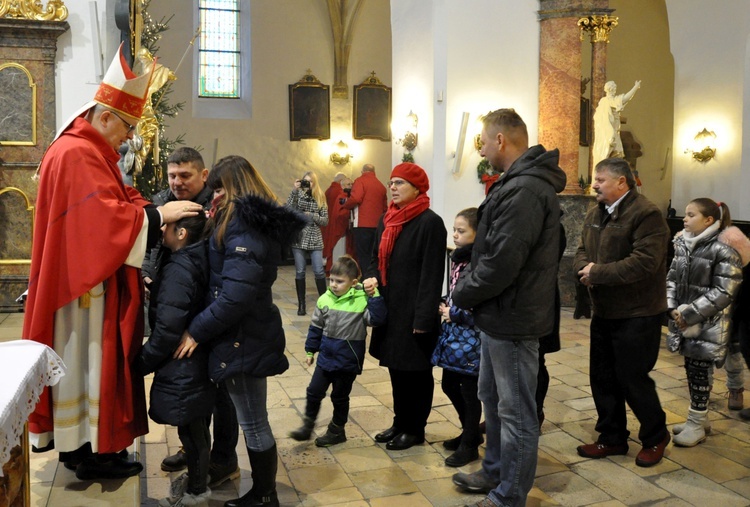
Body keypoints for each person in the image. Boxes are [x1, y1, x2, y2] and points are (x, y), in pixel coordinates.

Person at [22, 43, 203, 480]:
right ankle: (88, 453)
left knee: (89, 366)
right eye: (126, 128)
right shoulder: (76, 153)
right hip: (83, 290)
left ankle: (85, 449)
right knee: (88, 362)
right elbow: (100, 223)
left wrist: (147, 207)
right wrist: (160, 215)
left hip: (87, 282)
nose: (128, 139)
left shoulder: (88, 150)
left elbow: (116, 200)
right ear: (104, 117)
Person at [174, 155, 306, 507]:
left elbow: (235, 295)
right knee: (252, 417)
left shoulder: (243, 226)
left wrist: (197, 331)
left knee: (254, 421)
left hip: (243, 336)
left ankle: (265, 495)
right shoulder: (241, 220)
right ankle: (264, 492)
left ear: (232, 187)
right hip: (244, 333)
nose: (213, 195)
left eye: (218, 188)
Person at [450, 108, 566, 507]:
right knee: (493, 397)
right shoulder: (516, 184)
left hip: (514, 318)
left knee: (516, 410)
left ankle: (510, 493)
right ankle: (496, 469)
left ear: (500, 140)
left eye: (482, 140)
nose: (481, 148)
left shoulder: (526, 190)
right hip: (499, 314)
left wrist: (461, 293)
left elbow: (503, 260)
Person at [146, 148, 240, 489]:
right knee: (196, 399)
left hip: (208, 318)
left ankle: (223, 458)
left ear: (203, 175)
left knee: (221, 395)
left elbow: (229, 271)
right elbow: (153, 244)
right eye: (172, 175)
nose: (176, 182)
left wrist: (202, 326)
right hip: (180, 301)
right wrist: (148, 273)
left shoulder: (218, 208)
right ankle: (194, 451)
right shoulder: (165, 201)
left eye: (184, 176)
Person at [574, 157, 671, 468]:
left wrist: (597, 273)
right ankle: (612, 437)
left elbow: (645, 262)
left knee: (632, 378)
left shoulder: (646, 214)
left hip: (638, 311)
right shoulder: (594, 213)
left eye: (601, 179)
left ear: (622, 182)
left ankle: (655, 436)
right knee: (602, 377)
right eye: (595, 179)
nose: (595, 185)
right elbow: (580, 251)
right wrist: (584, 270)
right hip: (605, 310)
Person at [363, 163, 446, 452]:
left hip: (413, 312)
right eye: (392, 182)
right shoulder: (388, 219)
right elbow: (373, 256)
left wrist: (423, 319)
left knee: (417, 373)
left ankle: (416, 429)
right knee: (396, 370)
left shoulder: (430, 223)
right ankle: (400, 422)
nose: (393, 188)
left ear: (417, 188)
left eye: (400, 183)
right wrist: (371, 275)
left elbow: (432, 276)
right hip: (390, 308)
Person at [135, 213, 215, 507]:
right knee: (194, 427)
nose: (161, 229)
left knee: (192, 430)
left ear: (181, 233)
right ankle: (197, 484)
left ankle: (196, 490)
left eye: (166, 225)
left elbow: (168, 329)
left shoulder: (180, 268)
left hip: (185, 361)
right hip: (192, 359)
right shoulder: (189, 257)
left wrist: (140, 364)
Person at [666, 199, 749, 446]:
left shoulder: (723, 250)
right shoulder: (682, 243)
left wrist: (689, 314)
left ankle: (696, 423)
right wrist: (671, 308)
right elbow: (671, 277)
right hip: (684, 321)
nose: (684, 218)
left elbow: (724, 291)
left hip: (709, 322)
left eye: (691, 215)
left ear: (709, 220)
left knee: (700, 371)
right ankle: (698, 420)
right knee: (692, 370)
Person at [289, 255, 386, 447]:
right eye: (331, 280)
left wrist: (374, 296)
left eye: (339, 281)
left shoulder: (361, 301)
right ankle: (307, 426)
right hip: (326, 356)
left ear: (353, 282)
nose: (333, 284)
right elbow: (316, 327)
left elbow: (377, 319)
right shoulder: (325, 299)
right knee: (314, 391)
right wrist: (310, 351)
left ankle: (337, 430)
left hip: (347, 360)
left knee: (339, 396)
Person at [431, 208, 483, 468]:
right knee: (449, 385)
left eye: (461, 231)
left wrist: (454, 312)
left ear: (478, 233)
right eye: (454, 230)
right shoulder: (459, 259)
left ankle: (470, 444)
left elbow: (481, 306)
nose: (455, 235)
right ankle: (469, 433)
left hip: (473, 338)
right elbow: (456, 292)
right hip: (457, 336)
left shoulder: (479, 262)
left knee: (470, 392)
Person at [287, 171, 329, 315]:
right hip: (299, 236)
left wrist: (312, 215)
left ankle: (324, 303)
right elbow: (288, 210)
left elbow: (325, 220)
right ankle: (302, 305)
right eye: (305, 181)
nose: (307, 184)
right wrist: (294, 191)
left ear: (315, 183)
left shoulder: (320, 196)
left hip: (315, 237)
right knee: (300, 271)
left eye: (310, 181)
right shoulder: (297, 194)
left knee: (318, 270)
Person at [342, 163, 388, 272]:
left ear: (363, 171)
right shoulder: (381, 186)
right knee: (375, 254)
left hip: (362, 224)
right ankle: (375, 278)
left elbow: (356, 199)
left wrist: (346, 204)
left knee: (363, 255)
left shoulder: (360, 181)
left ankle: (366, 280)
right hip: (378, 226)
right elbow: (385, 208)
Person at [592, 80, 641, 167]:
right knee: (613, 157)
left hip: (611, 133)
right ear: (612, 89)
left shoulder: (604, 102)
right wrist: (635, 87)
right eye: (614, 88)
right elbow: (626, 98)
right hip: (610, 134)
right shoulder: (610, 101)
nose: (615, 89)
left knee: (615, 159)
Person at [321, 173, 354, 276]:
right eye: (349, 184)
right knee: (339, 251)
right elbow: (341, 213)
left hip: (331, 223)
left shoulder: (329, 190)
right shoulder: (340, 194)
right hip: (339, 227)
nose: (351, 186)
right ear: (342, 184)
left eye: (352, 184)